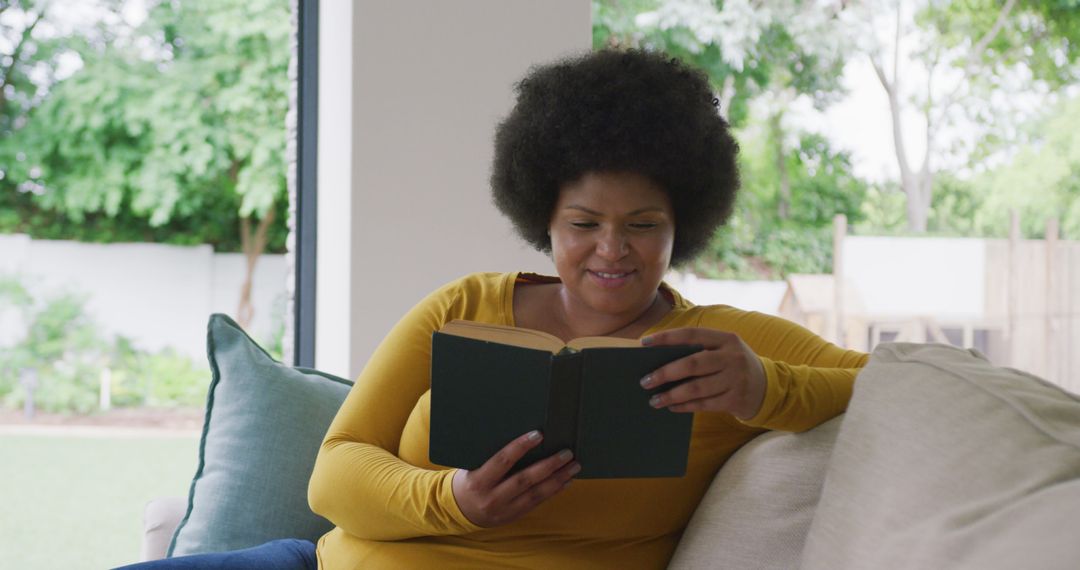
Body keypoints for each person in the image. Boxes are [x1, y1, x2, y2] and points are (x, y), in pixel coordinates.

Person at [117, 49, 867, 570]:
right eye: (584, 224)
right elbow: (334, 477)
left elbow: (903, 379)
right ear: (543, 218)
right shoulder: (465, 305)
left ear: (684, 225)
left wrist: (768, 388)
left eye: (644, 225)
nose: (613, 250)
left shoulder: (719, 344)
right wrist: (456, 500)